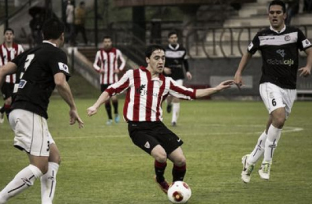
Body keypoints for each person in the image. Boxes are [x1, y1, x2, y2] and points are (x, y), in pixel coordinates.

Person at [0, 18, 84, 204]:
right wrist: (73, 107)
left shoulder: (30, 52)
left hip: (21, 111)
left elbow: (1, 70)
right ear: (62, 36)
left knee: (54, 156)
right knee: (39, 166)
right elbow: (60, 81)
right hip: (30, 111)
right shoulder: (56, 53)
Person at [87, 45, 233, 194]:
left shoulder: (167, 82)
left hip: (157, 126)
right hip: (137, 128)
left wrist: (216, 89)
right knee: (161, 155)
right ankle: (160, 179)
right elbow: (111, 90)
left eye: (163, 58)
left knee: (180, 160)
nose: (161, 61)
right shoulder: (133, 75)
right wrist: (96, 106)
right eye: (156, 58)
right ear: (147, 59)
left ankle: (177, 189)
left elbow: (192, 93)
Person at [234, 0, 312, 183]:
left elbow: (311, 52)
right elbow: (247, 53)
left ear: (285, 15)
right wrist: (238, 72)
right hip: (269, 84)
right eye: (272, 13)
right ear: (268, 15)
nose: (275, 15)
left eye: (278, 12)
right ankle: (267, 163)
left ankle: (250, 160)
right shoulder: (261, 36)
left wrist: (309, 66)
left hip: (289, 87)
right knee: (279, 118)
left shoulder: (295, 33)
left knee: (273, 126)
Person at [0, 28, 24, 124]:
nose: (9, 36)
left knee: (14, 102)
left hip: (16, 80)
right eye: (7, 34)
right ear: (4, 36)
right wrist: (0, 70)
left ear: (13, 36)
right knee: (9, 101)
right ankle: (11, 121)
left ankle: (1, 110)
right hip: (4, 80)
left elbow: (23, 60)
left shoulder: (19, 48)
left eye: (10, 34)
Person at [93, 36, 126, 125]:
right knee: (106, 100)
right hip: (104, 81)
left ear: (111, 42)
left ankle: (116, 113)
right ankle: (110, 119)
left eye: (108, 41)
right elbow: (95, 64)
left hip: (114, 80)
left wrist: (119, 69)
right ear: (103, 43)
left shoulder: (117, 52)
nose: (107, 43)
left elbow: (123, 61)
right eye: (105, 42)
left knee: (114, 98)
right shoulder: (99, 53)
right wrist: (100, 70)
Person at [164, 31, 192, 127]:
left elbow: (185, 62)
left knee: (176, 96)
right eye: (172, 38)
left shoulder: (182, 49)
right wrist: (164, 68)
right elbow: (160, 61)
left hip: (179, 76)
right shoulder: (165, 50)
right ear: (168, 39)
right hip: (167, 77)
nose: (174, 39)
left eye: (175, 37)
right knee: (168, 97)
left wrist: (187, 71)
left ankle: (174, 121)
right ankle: (168, 104)